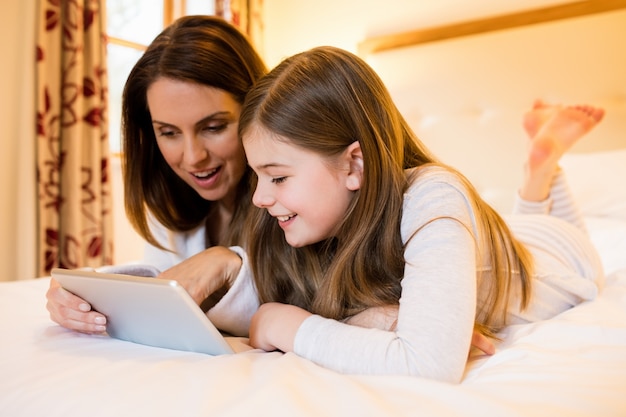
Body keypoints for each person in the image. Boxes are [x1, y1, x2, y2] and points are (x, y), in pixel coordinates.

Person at [233, 46, 605, 382]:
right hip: (489, 242)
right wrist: (380, 319)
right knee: (504, 232)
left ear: (355, 165)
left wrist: (288, 326)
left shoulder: (434, 194)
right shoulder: (326, 223)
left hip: (555, 254)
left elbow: (429, 363)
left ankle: (542, 169)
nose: (260, 198)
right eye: (258, 176)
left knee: (571, 241)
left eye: (278, 177)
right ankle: (539, 168)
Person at [45, 15, 267, 334]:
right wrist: (82, 293)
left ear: (257, 108)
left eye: (214, 127)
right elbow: (166, 286)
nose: (193, 158)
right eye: (168, 132)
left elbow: (308, 301)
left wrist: (230, 263)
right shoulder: (171, 197)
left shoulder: (294, 194)